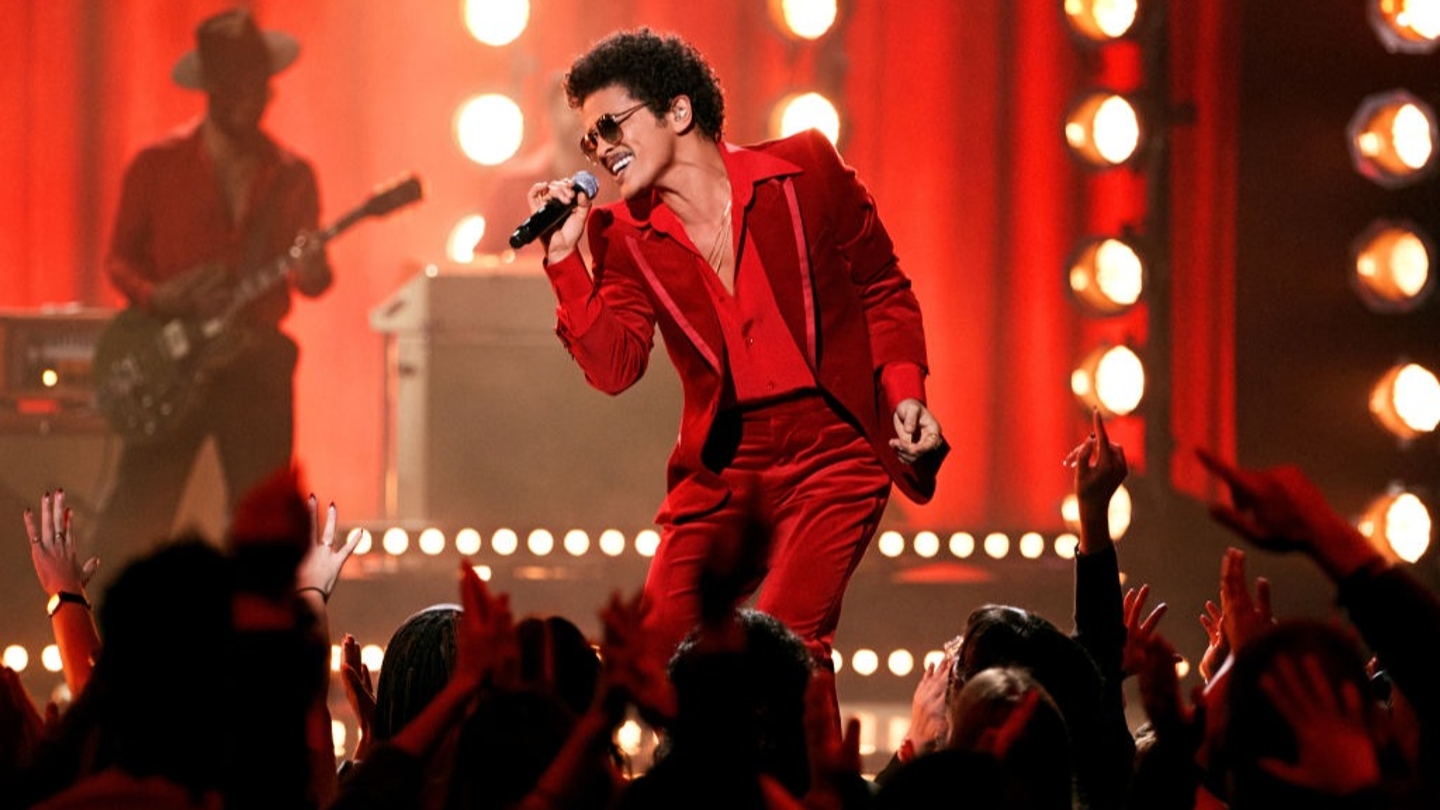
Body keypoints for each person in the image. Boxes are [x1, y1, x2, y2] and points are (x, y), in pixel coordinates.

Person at [528, 28, 948, 671]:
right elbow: (615, 368)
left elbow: (882, 286)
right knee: (656, 651)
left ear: (678, 111)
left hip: (832, 453)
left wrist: (904, 394)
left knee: (785, 648)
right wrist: (565, 260)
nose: (601, 150)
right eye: (591, 140)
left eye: (611, 126)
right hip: (725, 470)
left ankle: (803, 738)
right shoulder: (622, 234)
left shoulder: (806, 171)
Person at [95, 7, 332, 571]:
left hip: (255, 361)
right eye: (236, 86)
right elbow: (119, 260)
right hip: (173, 360)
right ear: (212, 90)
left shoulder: (292, 175)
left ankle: (260, 616)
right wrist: (162, 298)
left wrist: (313, 266)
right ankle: (106, 618)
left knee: (263, 526)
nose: (250, 98)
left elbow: (314, 281)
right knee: (136, 516)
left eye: (257, 85)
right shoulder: (157, 166)